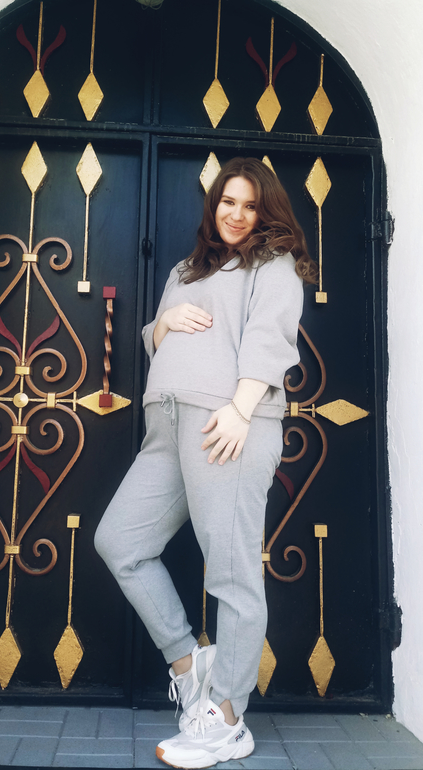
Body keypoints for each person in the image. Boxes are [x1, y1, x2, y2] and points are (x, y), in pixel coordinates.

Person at [95, 156, 317, 768]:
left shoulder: (272, 264)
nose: (237, 215)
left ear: (265, 211)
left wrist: (241, 411)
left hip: (226, 428)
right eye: (228, 202)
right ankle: (188, 663)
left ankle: (227, 717)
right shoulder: (185, 268)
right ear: (213, 204)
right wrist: (162, 322)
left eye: (250, 205)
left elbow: (270, 338)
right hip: (166, 427)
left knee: (232, 573)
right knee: (120, 542)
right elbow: (157, 340)